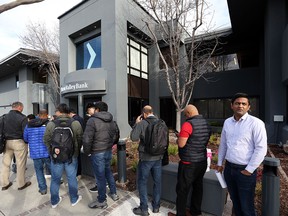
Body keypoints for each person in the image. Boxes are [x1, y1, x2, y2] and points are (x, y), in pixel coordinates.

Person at [216, 93, 267, 216]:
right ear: (232, 106)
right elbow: (223, 144)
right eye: (237, 103)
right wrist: (219, 163)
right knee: (236, 203)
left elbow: (261, 148)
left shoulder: (256, 123)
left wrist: (249, 170)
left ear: (249, 107)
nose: (240, 106)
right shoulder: (227, 122)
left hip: (245, 171)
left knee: (246, 206)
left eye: (244, 104)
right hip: (229, 169)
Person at [171, 104, 211, 216]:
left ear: (188, 113)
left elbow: (181, 144)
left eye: (185, 115)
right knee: (198, 187)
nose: (185, 117)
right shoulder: (206, 123)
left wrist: (179, 137)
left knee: (182, 190)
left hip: (188, 163)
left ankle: (180, 214)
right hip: (202, 161)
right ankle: (195, 211)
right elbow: (200, 140)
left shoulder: (188, 124)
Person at [43, 103, 83, 208]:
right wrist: (76, 151)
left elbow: (46, 139)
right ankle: (74, 199)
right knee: (71, 178)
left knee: (55, 179)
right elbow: (80, 139)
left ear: (59, 112)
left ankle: (54, 201)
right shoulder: (75, 123)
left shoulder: (51, 124)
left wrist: (51, 151)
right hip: (71, 156)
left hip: (56, 156)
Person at [83, 101, 119, 209]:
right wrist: (109, 145)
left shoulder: (92, 120)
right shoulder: (111, 121)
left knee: (100, 177)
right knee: (108, 172)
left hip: (97, 152)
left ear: (97, 109)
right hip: (107, 151)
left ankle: (102, 200)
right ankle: (114, 193)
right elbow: (115, 136)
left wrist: (87, 151)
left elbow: (87, 139)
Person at [130, 105, 164, 216]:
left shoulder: (142, 123)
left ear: (144, 114)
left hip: (146, 158)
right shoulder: (161, 122)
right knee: (157, 182)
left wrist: (136, 123)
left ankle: (144, 209)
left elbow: (133, 137)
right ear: (152, 112)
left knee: (142, 182)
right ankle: (156, 207)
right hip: (158, 157)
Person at [1, 101, 31, 191]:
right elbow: (25, 132)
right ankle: (21, 184)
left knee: (5, 164)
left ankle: (4, 183)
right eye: (22, 107)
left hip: (6, 142)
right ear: (19, 107)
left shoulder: (4, 117)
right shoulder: (22, 117)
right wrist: (26, 142)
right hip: (19, 142)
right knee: (20, 164)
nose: (23, 109)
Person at [23, 109, 50, 195]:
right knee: (53, 170)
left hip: (35, 153)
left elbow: (25, 138)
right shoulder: (49, 124)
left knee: (39, 171)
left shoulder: (29, 124)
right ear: (46, 115)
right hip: (47, 152)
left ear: (38, 114)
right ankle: (55, 186)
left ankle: (43, 189)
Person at [69, 108, 85, 180]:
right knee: (78, 158)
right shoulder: (81, 119)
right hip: (80, 141)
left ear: (70, 113)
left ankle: (76, 174)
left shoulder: (73, 121)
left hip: (74, 143)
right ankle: (79, 173)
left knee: (75, 160)